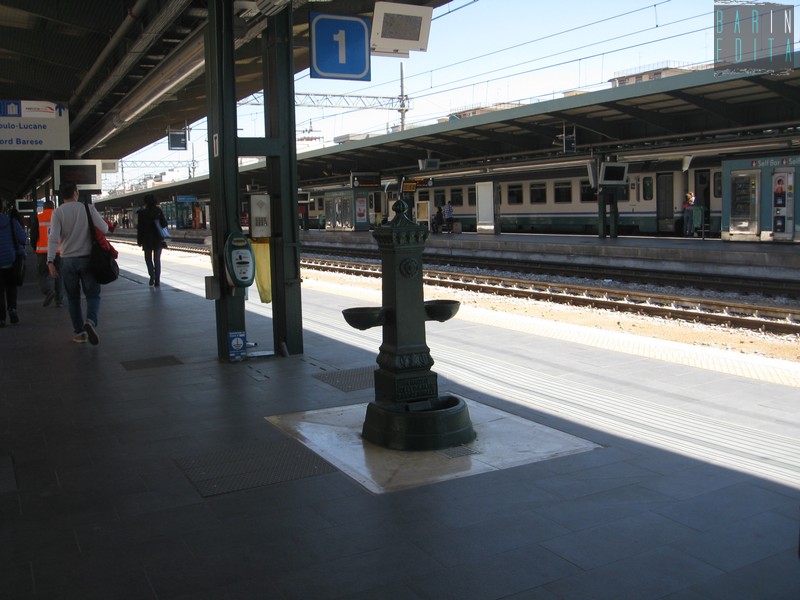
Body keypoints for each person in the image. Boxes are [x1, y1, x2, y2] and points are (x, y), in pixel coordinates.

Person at [47, 182, 108, 345]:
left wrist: (50, 261)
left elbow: (53, 239)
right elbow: (104, 228)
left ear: (62, 195)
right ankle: (90, 321)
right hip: (88, 259)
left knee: (73, 299)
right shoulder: (87, 208)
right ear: (76, 193)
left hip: (68, 261)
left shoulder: (57, 212)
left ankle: (80, 333)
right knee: (93, 294)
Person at [33, 200, 63, 308]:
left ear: (44, 208)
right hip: (58, 251)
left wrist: (34, 247)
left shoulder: (38, 217)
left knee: (42, 274)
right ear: (53, 207)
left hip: (42, 252)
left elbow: (33, 234)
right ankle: (59, 301)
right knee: (58, 275)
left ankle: (48, 291)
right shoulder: (59, 216)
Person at [0, 207, 27, 327]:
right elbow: (23, 238)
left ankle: (1, 318)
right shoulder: (11, 221)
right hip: (11, 260)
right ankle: (12, 309)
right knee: (11, 287)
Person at [136, 194, 168, 287]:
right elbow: (164, 223)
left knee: (148, 259)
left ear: (145, 202)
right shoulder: (158, 211)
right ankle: (157, 279)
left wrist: (139, 240)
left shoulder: (142, 213)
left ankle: (152, 275)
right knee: (157, 259)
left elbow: (140, 228)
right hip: (158, 238)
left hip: (146, 239)